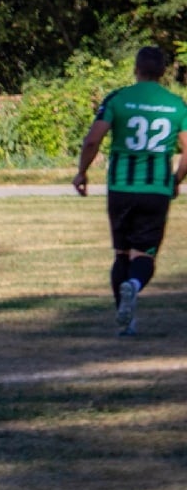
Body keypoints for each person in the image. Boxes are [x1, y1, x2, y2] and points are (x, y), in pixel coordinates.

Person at [73, 45, 187, 336]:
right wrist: (177, 178)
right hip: (156, 190)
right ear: (163, 73)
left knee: (121, 255)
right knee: (144, 257)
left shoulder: (118, 99)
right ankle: (134, 287)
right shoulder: (176, 105)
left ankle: (126, 322)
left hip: (121, 187)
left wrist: (82, 172)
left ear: (135, 68)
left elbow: (92, 140)